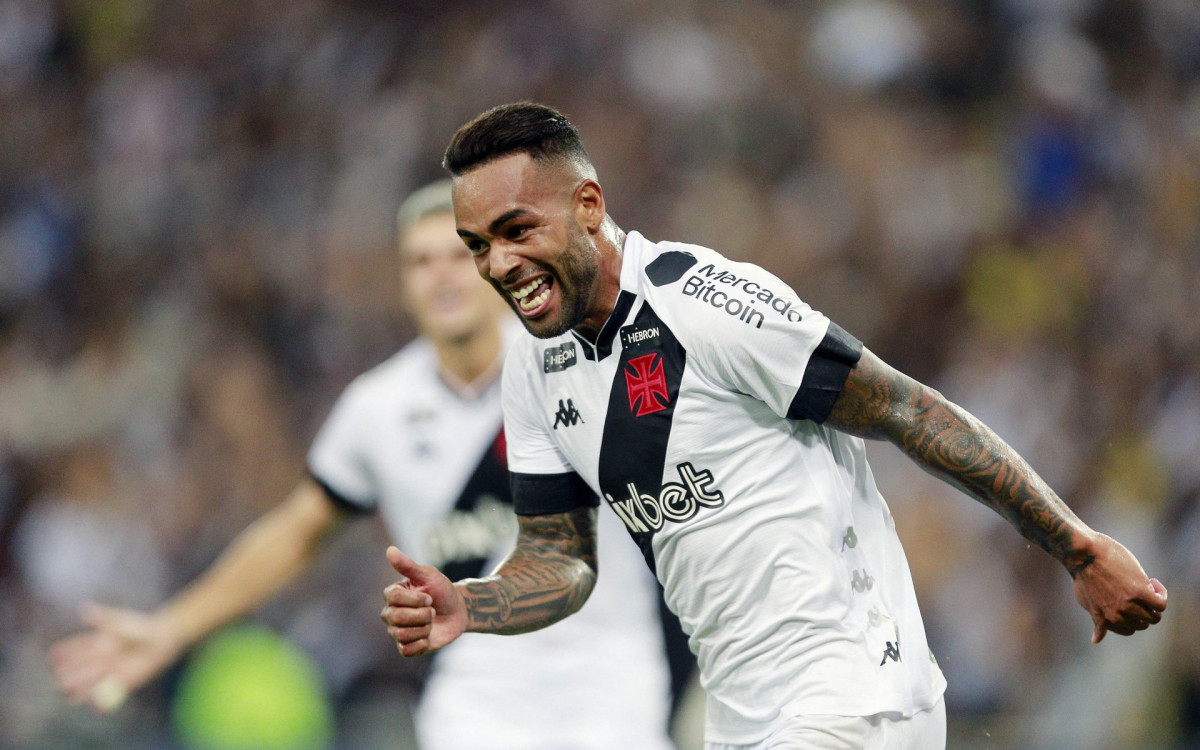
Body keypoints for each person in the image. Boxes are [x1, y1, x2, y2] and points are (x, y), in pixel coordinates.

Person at [379, 103, 1170, 750]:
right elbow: (560, 561)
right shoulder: (534, 368)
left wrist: (1075, 546)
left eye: (518, 230)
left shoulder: (706, 304)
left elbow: (904, 408)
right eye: (478, 246)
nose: (498, 265)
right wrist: (471, 605)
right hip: (742, 717)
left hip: (852, 698)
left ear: (588, 205)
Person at [50, 180, 683, 750]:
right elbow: (297, 530)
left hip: (612, 694)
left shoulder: (587, 362)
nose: (441, 277)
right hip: (474, 707)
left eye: (459, 256)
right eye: (419, 262)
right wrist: (172, 627)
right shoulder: (377, 408)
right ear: (402, 282)